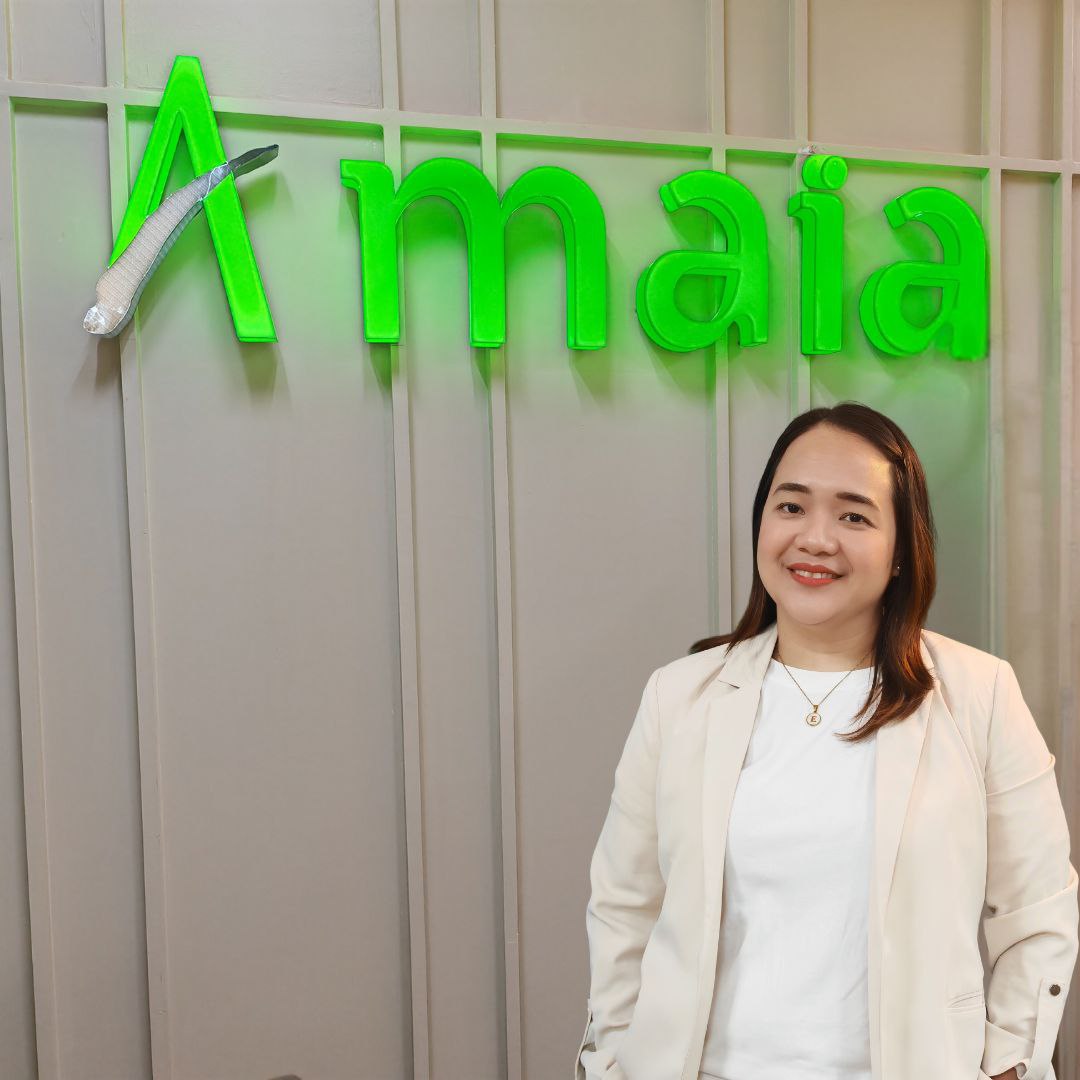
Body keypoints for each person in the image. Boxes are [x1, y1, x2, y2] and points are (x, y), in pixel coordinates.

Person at [573, 402, 1078, 1080]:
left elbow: (1038, 910)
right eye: (791, 507)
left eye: (854, 516)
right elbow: (624, 905)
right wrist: (611, 1057)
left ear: (901, 552)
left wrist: (1009, 1065)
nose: (815, 539)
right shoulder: (679, 696)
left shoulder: (978, 695)